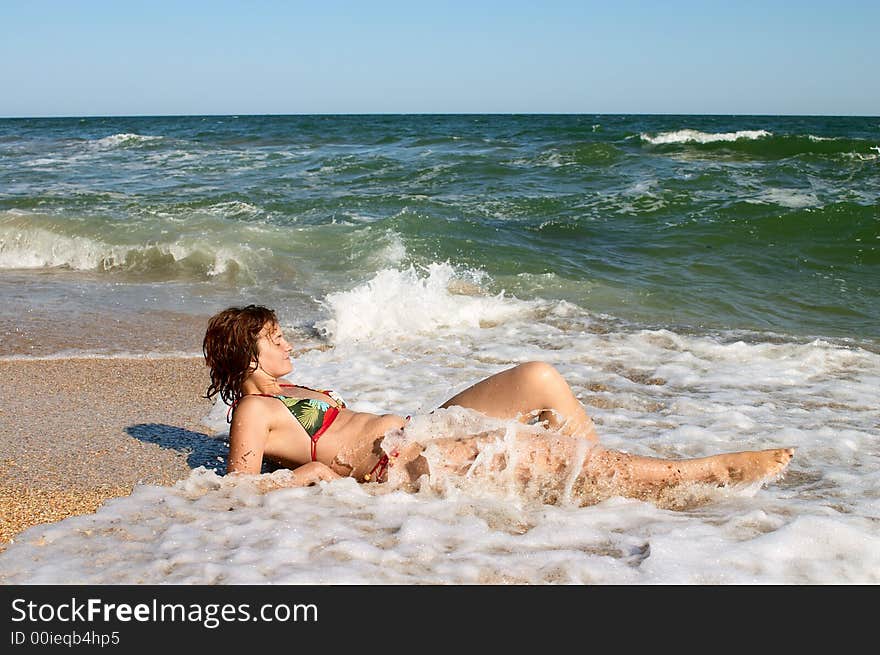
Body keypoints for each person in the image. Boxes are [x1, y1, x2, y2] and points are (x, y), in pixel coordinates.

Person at [203, 305, 794, 507]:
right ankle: (692, 475)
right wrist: (308, 476)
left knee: (538, 377)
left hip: (421, 428)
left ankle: (607, 474)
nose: (286, 343)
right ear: (246, 354)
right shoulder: (252, 413)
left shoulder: (297, 395)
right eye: (272, 337)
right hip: (398, 461)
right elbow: (239, 489)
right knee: (534, 450)